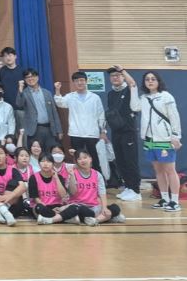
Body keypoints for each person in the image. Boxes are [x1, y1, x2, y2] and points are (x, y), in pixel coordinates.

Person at [129, 70, 181, 212]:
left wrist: (176, 136)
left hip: (165, 139)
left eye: (153, 79)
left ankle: (175, 201)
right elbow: (134, 107)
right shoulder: (144, 97)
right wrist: (133, 89)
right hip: (149, 139)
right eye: (147, 79)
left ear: (158, 81)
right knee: (158, 171)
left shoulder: (166, 96)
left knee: (170, 170)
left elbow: (174, 116)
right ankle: (165, 199)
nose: (150, 81)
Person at [54, 72, 108, 174]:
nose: (79, 83)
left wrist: (103, 131)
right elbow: (60, 103)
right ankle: (80, 179)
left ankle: (97, 179)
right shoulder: (70, 96)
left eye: (82, 80)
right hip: (76, 133)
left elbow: (101, 115)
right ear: (73, 83)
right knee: (78, 159)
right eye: (76, 81)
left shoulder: (95, 97)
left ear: (86, 81)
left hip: (92, 134)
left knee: (94, 159)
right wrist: (57, 90)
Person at [104, 65, 142, 201]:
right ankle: (128, 187)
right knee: (120, 161)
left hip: (128, 131)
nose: (115, 77)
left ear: (122, 77)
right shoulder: (110, 94)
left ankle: (136, 190)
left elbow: (133, 83)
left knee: (130, 160)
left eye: (117, 75)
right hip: (116, 131)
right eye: (112, 76)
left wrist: (123, 70)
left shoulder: (129, 89)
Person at [66, 149, 125, 225]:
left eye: (85, 157)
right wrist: (72, 176)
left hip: (94, 206)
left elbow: (102, 193)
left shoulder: (97, 174)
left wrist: (104, 208)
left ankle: (95, 220)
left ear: (90, 159)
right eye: (79, 159)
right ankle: (107, 218)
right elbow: (72, 192)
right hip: (80, 206)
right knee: (81, 211)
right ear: (76, 162)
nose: (83, 160)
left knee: (115, 207)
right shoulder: (72, 174)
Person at [16, 68, 63, 150]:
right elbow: (19, 104)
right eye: (27, 77)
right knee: (36, 154)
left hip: (50, 129)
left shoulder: (47, 93)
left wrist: (59, 130)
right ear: (25, 80)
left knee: (50, 153)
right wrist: (20, 90)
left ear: (37, 77)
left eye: (33, 76)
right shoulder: (25, 93)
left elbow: (54, 112)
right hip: (34, 130)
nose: (30, 79)